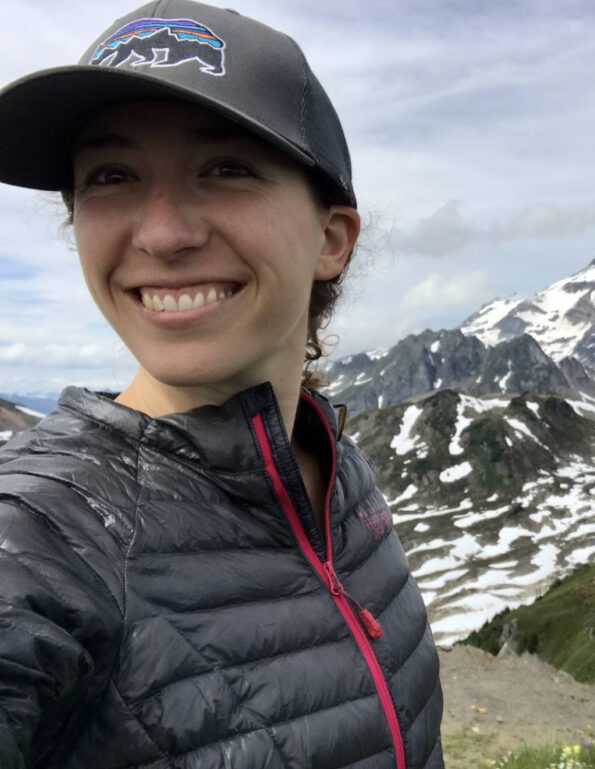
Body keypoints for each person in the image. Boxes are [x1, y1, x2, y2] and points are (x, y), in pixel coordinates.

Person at [0, 2, 444, 767]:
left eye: (227, 168)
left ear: (332, 239)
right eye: (110, 176)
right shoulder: (35, 538)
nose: (163, 232)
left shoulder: (341, 476)